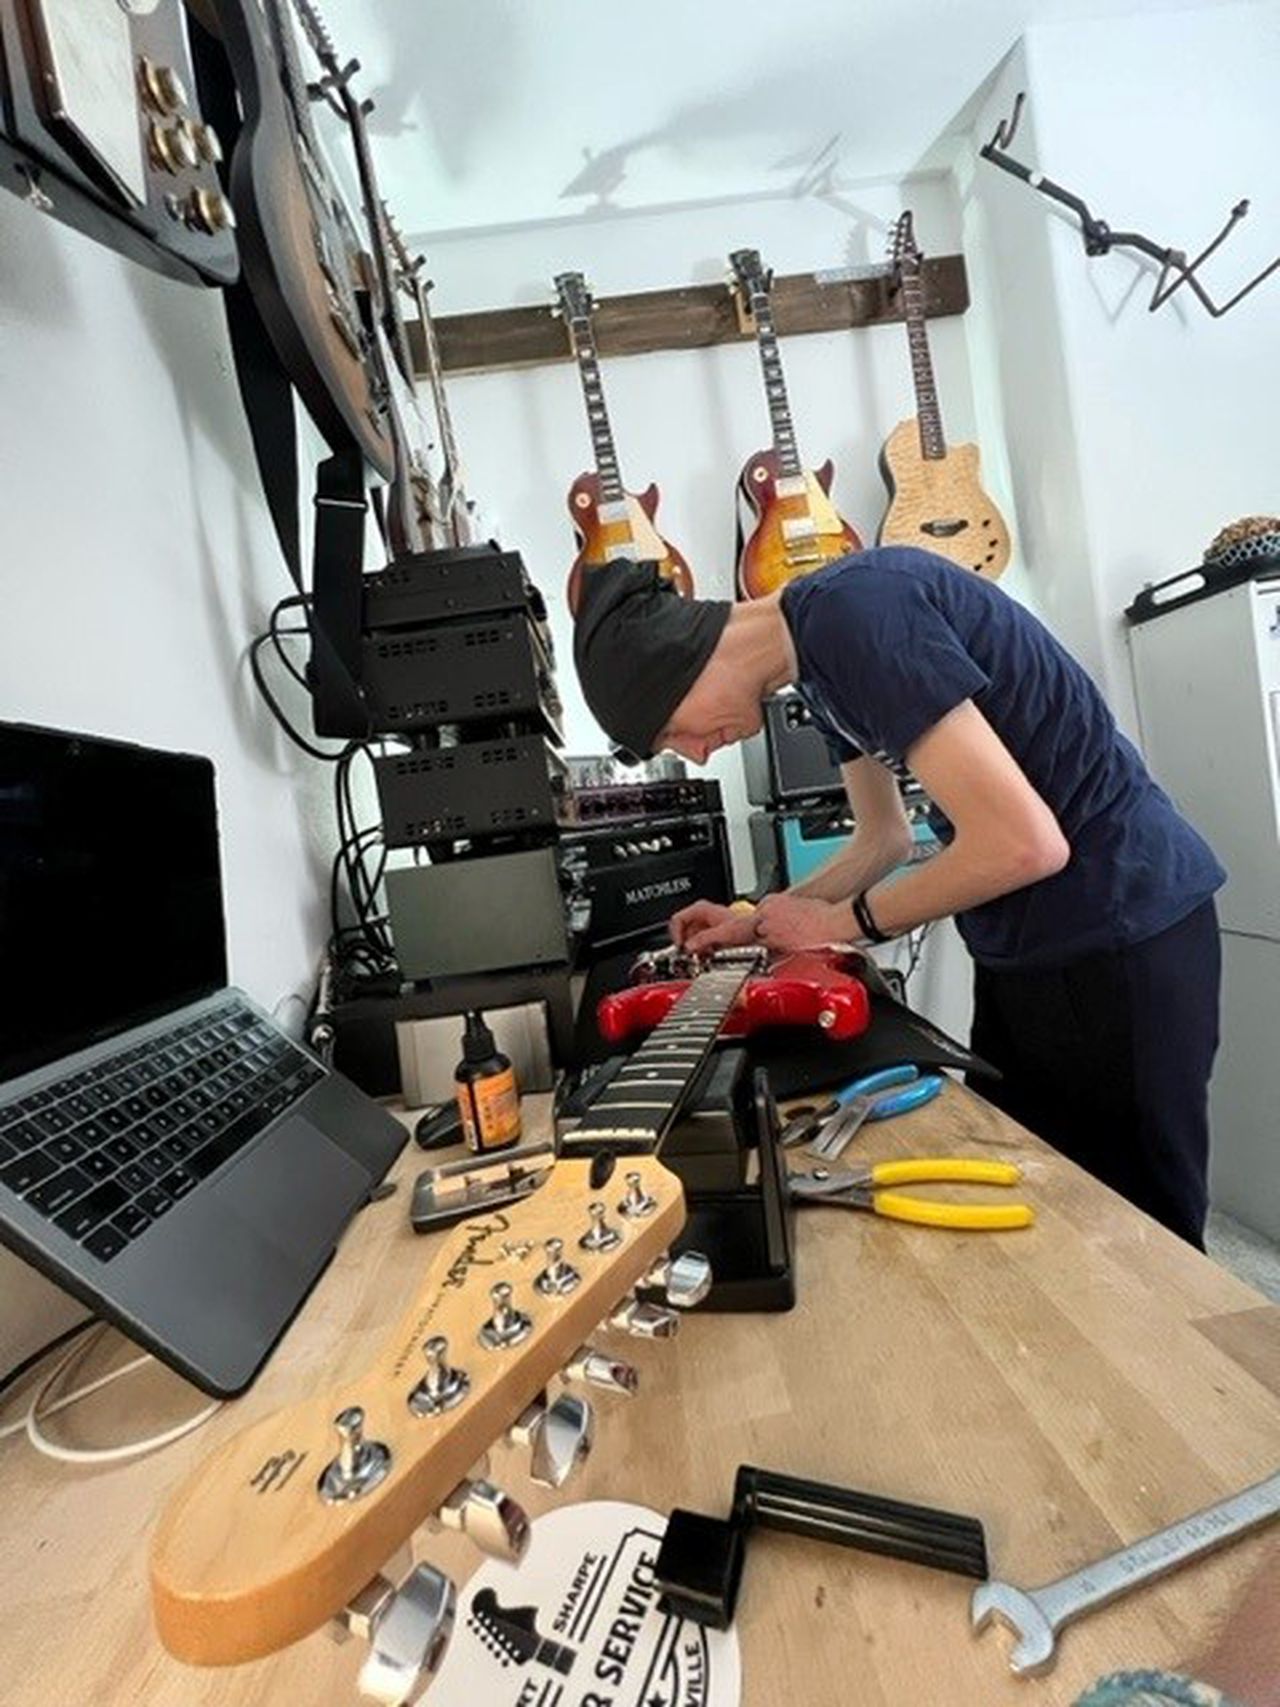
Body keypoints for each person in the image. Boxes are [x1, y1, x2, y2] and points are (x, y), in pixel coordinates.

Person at [572, 547, 1225, 1247]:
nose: (697, 754)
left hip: (1121, 922)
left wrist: (844, 921)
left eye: (673, 729)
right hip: (1026, 943)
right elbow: (880, 840)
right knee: (1042, 1200)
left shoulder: (855, 615)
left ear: (681, 662)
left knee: (1151, 1240)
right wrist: (759, 923)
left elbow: (1025, 841)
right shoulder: (815, 670)